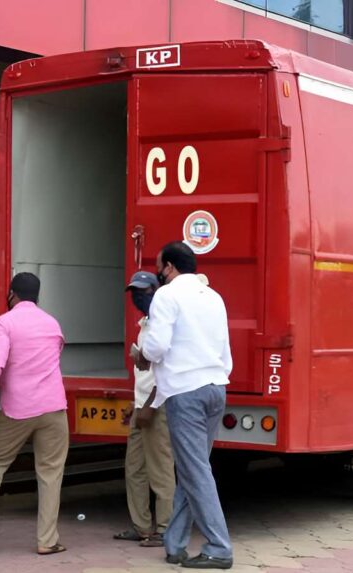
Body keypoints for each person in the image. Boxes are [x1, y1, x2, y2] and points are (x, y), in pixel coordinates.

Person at [0, 272, 69, 555]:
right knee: (51, 474)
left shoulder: (3, 323)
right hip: (54, 407)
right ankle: (47, 541)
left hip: (18, 408)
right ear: (37, 296)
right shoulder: (52, 324)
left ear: (11, 294)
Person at [139, 242, 234, 569]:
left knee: (195, 471)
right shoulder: (214, 297)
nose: (158, 272)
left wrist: (142, 354)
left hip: (185, 391)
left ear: (169, 267)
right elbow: (225, 349)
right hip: (216, 387)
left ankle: (219, 548)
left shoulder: (167, 295)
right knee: (193, 469)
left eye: (159, 266)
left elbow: (156, 346)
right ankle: (175, 544)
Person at [114, 271, 176, 548]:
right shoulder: (146, 323)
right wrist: (136, 403)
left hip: (157, 406)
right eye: (135, 292)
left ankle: (165, 529)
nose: (139, 296)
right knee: (135, 469)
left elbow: (167, 371)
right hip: (143, 405)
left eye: (144, 290)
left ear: (157, 290)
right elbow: (146, 373)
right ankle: (141, 526)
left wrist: (149, 405)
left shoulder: (163, 325)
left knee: (160, 470)